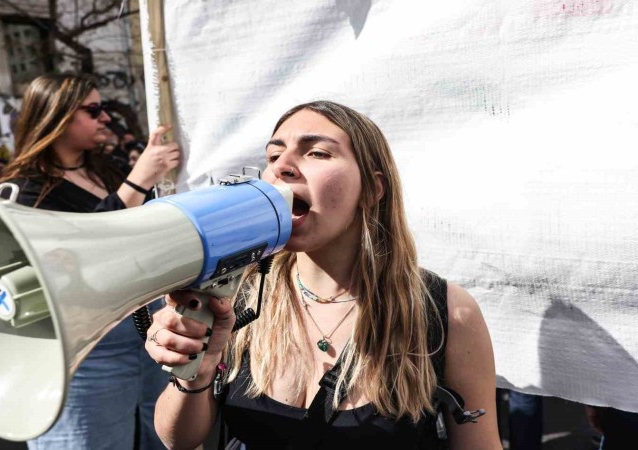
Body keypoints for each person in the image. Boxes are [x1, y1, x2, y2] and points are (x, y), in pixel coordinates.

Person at [144, 101, 502, 449]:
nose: (282, 167)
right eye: (273, 156)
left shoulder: (445, 312)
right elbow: (179, 440)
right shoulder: (238, 297)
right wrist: (197, 373)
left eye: (316, 153)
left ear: (373, 189)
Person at [0, 73, 180, 450]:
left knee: (161, 437)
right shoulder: (25, 189)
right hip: (88, 350)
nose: (106, 118)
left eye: (105, 108)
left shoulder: (105, 168)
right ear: (57, 117)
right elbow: (84, 248)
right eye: (93, 110)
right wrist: (139, 181)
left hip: (146, 329)